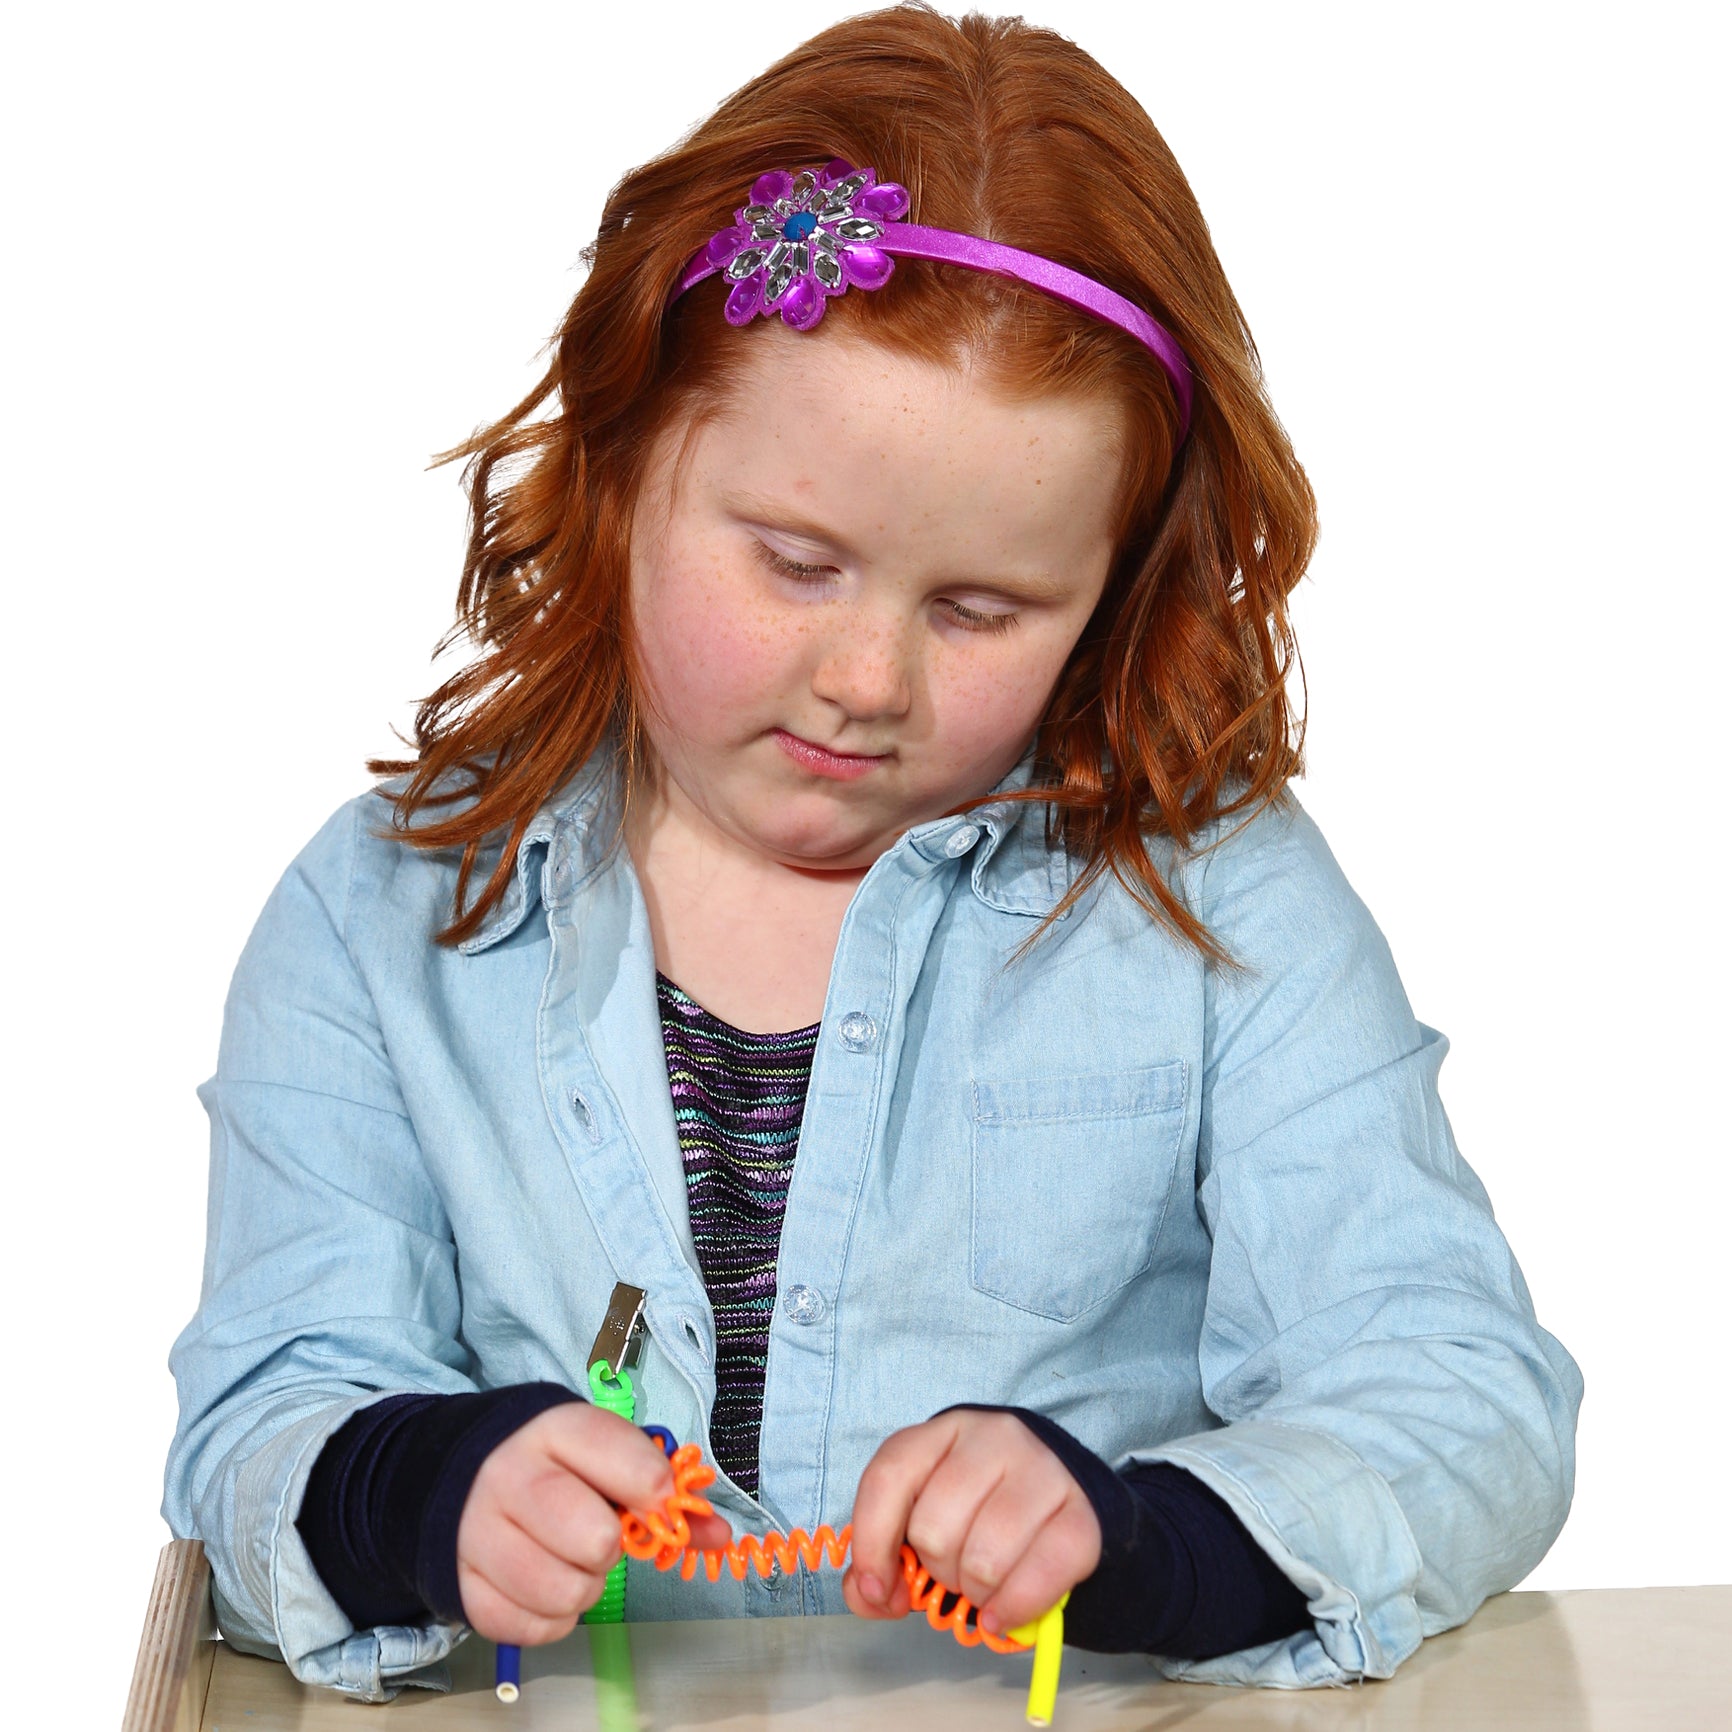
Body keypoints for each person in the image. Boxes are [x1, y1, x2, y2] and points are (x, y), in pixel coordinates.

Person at [163, 3, 1582, 1704]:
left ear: (1115, 587)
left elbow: (1463, 1393)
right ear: (623, 460)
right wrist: (421, 1492)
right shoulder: (382, 918)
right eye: (794, 562)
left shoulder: (1219, 904)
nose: (869, 680)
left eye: (983, 608)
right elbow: (258, 1425)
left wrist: (1144, 1536)